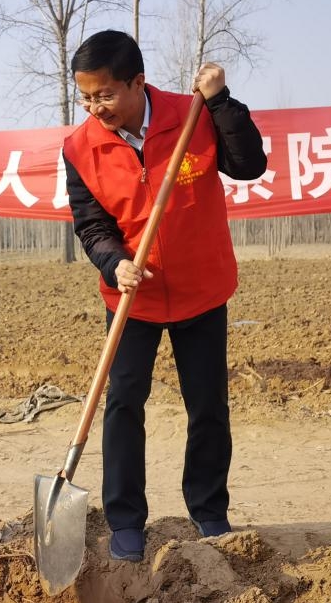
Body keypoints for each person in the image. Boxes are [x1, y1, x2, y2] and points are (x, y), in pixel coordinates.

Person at [63, 30, 267, 563]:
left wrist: (221, 102)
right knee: (124, 405)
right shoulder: (80, 148)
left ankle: (209, 510)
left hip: (202, 287)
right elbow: (91, 225)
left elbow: (249, 165)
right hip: (134, 296)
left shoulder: (194, 114)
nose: (95, 108)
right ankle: (126, 519)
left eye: (104, 94)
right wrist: (116, 262)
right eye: (85, 97)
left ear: (137, 82)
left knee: (207, 405)